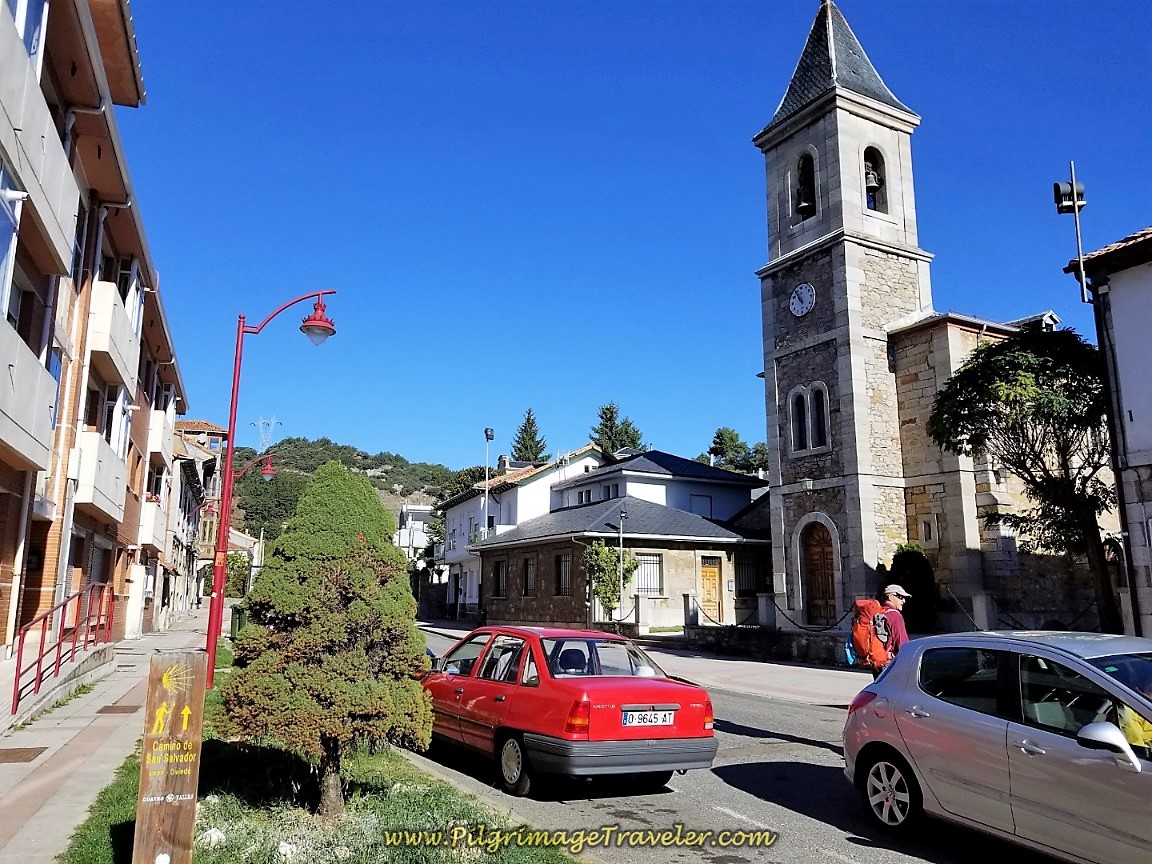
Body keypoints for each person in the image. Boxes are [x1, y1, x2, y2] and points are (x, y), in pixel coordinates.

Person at [874, 584, 911, 679]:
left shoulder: (878, 612)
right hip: (890, 664)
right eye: (900, 597)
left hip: (877, 662)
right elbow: (902, 644)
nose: (903, 600)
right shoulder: (895, 615)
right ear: (890, 597)